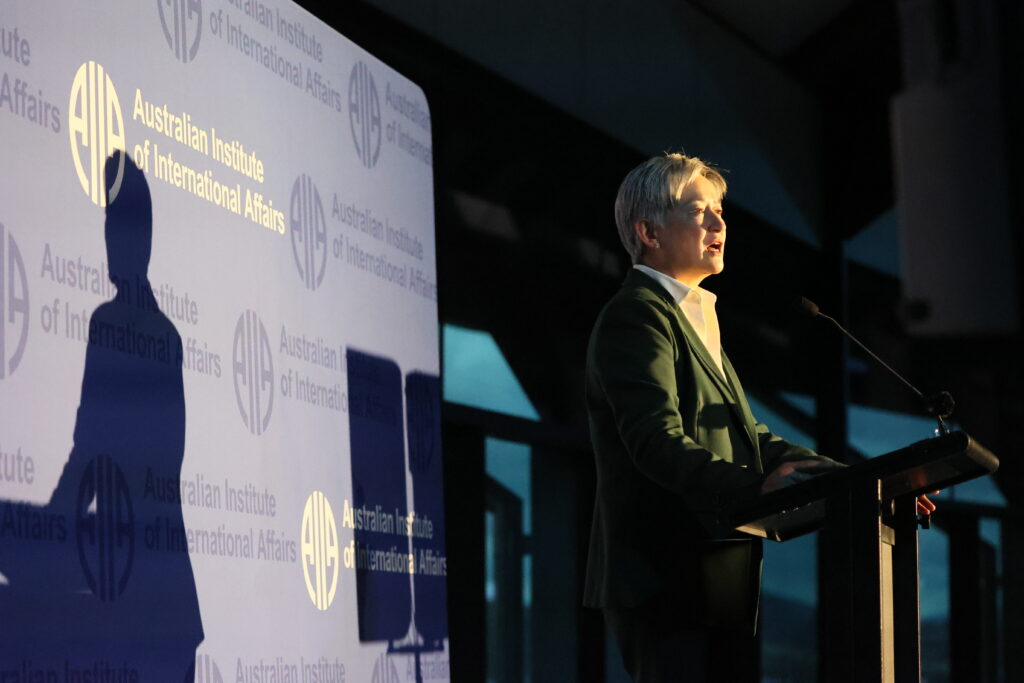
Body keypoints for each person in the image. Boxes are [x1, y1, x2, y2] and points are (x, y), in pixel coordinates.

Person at [582, 153, 841, 682]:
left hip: (717, 575)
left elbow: (749, 436)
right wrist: (757, 488)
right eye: (700, 212)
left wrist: (854, 481)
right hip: (664, 576)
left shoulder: (694, 316)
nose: (719, 225)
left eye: (720, 212)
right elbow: (656, 440)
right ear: (649, 232)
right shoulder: (638, 314)